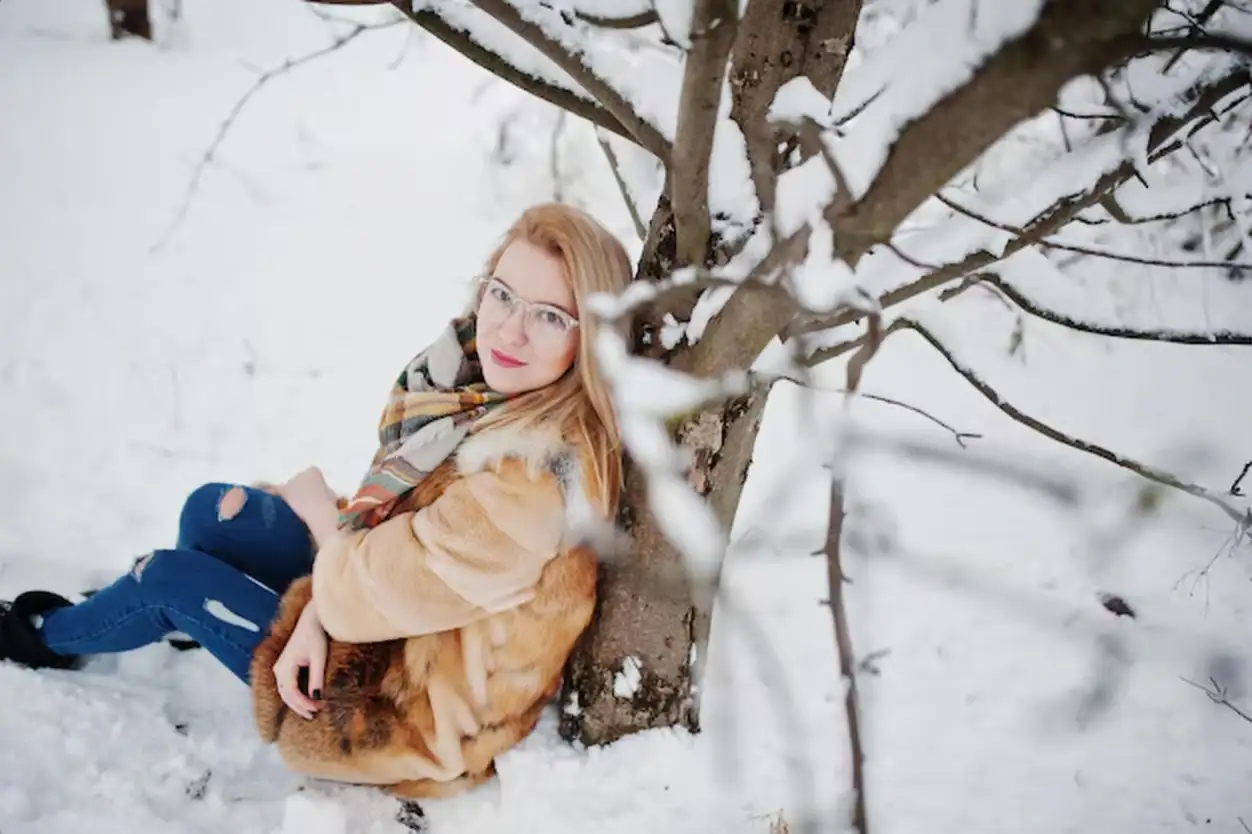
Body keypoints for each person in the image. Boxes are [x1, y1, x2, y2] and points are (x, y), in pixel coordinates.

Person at [0, 202, 632, 798]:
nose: (510, 330)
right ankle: (191, 625)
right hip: (392, 605)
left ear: (590, 340)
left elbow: (369, 594)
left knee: (169, 580)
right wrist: (321, 572)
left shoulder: (532, 483)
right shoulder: (472, 384)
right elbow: (392, 531)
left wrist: (315, 536)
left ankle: (43, 637)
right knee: (208, 510)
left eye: (550, 316)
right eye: (503, 294)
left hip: (399, 705)